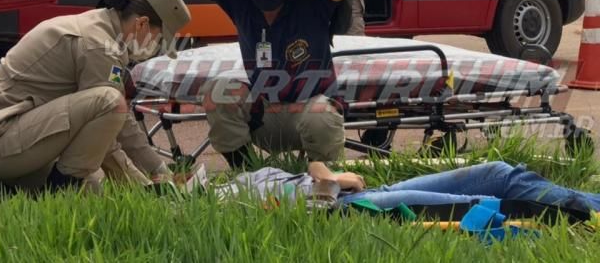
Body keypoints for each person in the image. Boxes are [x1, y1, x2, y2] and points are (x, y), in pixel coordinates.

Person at [0, 0, 191, 191]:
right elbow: (113, 124)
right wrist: (158, 173)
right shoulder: (98, 45)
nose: (156, 48)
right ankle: (61, 194)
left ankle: (31, 188)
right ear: (141, 24)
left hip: (11, 141)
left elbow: (101, 134)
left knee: (95, 195)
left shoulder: (100, 27)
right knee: (110, 101)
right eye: (158, 38)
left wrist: (143, 184)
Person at [151, 0, 346, 169]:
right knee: (218, 92)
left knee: (322, 117)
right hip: (264, 117)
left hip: (310, 112)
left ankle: (327, 180)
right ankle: (247, 174)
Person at [236, 161, 600, 214]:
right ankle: (584, 213)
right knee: (485, 203)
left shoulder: (248, 178)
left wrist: (328, 177)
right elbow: (316, 205)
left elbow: (320, 170)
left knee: (501, 172)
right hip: (355, 210)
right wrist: (330, 182)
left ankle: (592, 204)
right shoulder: (232, 207)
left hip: (368, 190)